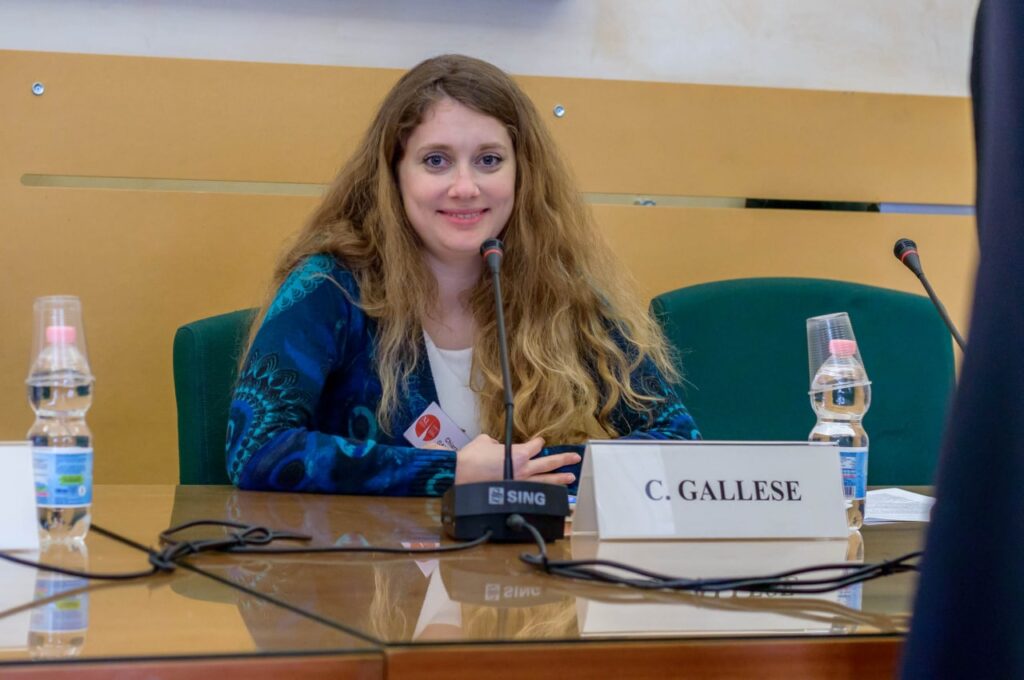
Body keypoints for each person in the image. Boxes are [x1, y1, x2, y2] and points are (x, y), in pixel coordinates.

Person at [225, 54, 700, 496]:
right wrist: (448, 474)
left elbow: (679, 442)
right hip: (367, 576)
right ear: (393, 176)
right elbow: (256, 449)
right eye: (436, 161)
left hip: (513, 572)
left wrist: (523, 473)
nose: (466, 187)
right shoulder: (330, 286)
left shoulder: (559, 290)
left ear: (522, 174)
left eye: (489, 160)